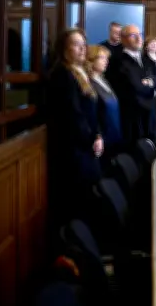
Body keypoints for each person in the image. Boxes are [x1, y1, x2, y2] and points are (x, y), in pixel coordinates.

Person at [46, 28, 103, 230]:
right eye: (76, 44)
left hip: (87, 145)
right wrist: (91, 139)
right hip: (74, 149)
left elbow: (92, 111)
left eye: (83, 44)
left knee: (89, 196)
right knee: (76, 202)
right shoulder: (62, 74)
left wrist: (98, 134)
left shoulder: (80, 72)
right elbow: (73, 114)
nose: (82, 48)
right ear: (64, 48)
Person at [114, 24, 156, 146]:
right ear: (123, 39)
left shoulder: (145, 59)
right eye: (133, 35)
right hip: (134, 119)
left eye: (140, 34)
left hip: (150, 116)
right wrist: (153, 90)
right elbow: (136, 87)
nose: (139, 38)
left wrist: (150, 82)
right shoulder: (119, 61)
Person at [87, 45, 122, 165]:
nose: (106, 61)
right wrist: (98, 135)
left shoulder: (103, 80)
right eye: (102, 58)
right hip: (102, 137)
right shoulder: (89, 83)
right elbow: (92, 113)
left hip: (114, 133)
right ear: (91, 60)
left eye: (106, 58)